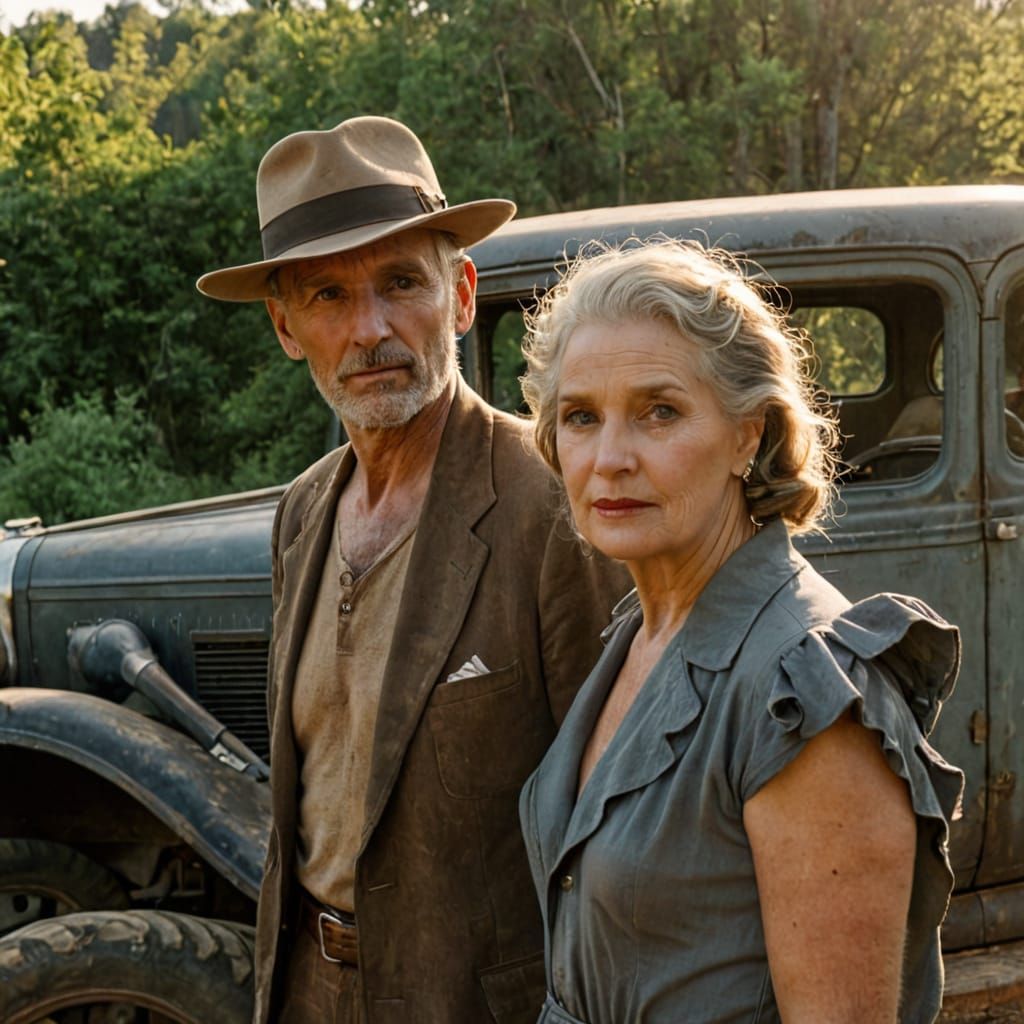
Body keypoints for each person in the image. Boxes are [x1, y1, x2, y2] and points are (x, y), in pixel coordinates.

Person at [197, 116, 628, 1024]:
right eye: (326, 296)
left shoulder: (554, 503)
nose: (371, 330)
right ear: (284, 326)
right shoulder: (304, 510)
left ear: (462, 294)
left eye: (401, 283)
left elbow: (622, 831)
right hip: (307, 988)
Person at [517, 238, 965, 1024]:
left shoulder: (807, 693)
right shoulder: (639, 635)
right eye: (581, 417)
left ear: (748, 435)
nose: (611, 457)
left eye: (660, 411)